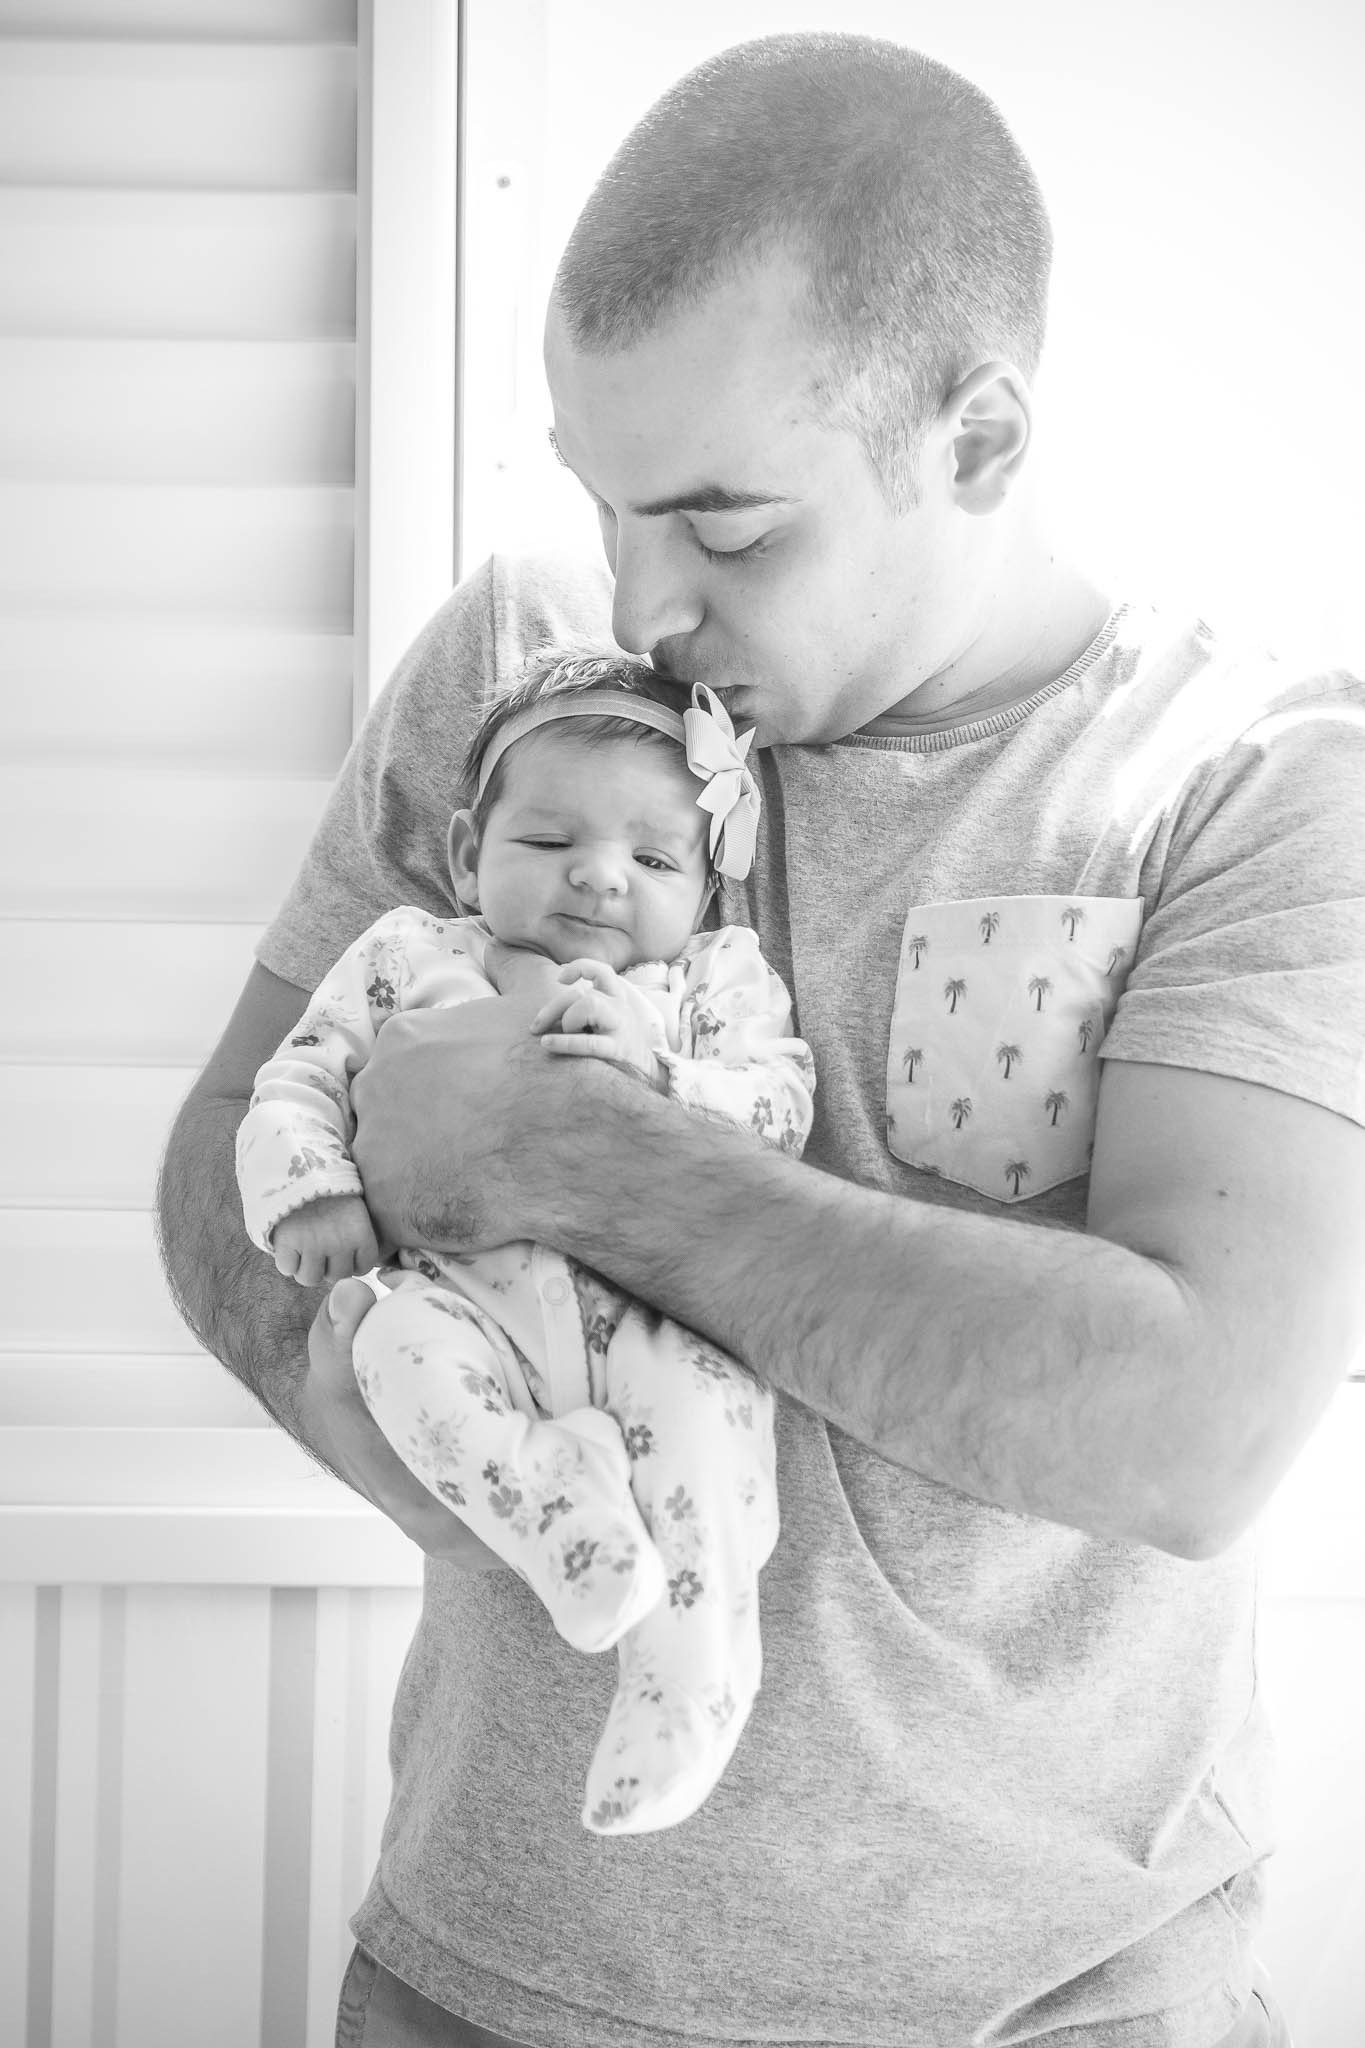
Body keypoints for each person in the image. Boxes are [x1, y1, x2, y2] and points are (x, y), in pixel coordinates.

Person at [156, 30, 1365, 2048]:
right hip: (482, 1982)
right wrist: (371, 1387)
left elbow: (1193, 1428)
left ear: (977, 440)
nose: (644, 603)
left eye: (726, 529)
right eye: (606, 501)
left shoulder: (1245, 781)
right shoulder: (526, 681)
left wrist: (576, 1155)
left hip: (1065, 2010)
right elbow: (225, 1161)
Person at [234, 650, 814, 1837]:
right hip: (467, 1302)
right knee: (393, 1350)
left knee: (700, 1450)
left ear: (708, 887)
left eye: (655, 859)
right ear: (467, 854)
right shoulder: (406, 955)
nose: (599, 875)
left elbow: (780, 1107)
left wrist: (659, 1070)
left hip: (659, 1309)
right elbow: (299, 1075)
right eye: (551, 840)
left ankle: (687, 1681)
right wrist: (311, 1188)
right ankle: (558, 1508)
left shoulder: (712, 982)